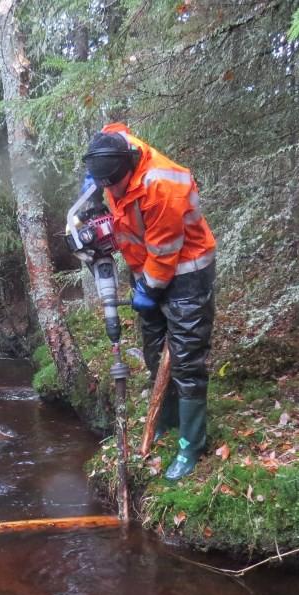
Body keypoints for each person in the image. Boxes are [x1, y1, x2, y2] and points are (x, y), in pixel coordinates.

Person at [82, 123, 216, 481]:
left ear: (127, 169)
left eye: (112, 183)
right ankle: (167, 421)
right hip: (144, 266)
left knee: (186, 357)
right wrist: (91, 177)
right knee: (155, 349)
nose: (108, 190)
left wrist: (149, 290)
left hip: (186, 268)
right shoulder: (115, 151)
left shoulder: (161, 187)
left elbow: (166, 249)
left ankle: (191, 444)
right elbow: (111, 130)